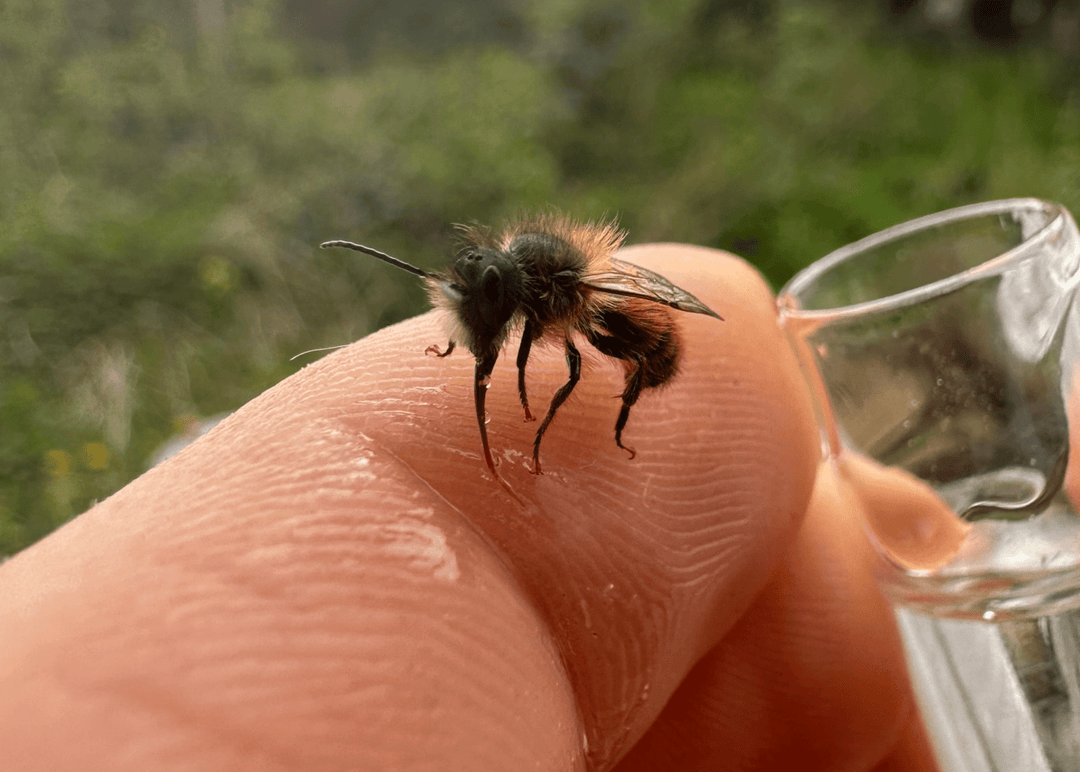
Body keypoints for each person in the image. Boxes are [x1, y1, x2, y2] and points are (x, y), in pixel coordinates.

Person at [0, 244, 938, 771]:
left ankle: (607, 430)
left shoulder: (571, 298)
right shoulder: (512, 296)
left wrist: (566, 435)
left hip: (650, 347)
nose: (478, 321)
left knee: (574, 368)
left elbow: (582, 346)